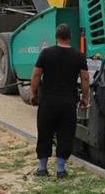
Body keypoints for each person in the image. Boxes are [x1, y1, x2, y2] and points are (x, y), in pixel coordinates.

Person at [30, 24, 89, 178]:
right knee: (65, 134)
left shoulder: (46, 53)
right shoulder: (78, 56)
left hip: (48, 102)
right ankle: (61, 170)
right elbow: (85, 78)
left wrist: (33, 93)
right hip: (68, 103)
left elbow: (36, 75)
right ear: (70, 37)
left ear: (56, 36)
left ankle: (42, 168)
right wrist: (85, 97)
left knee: (45, 132)